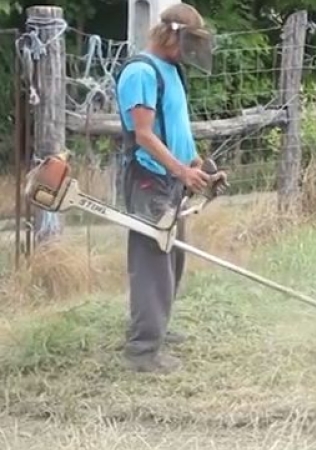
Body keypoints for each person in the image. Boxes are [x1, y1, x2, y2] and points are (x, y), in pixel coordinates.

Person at [115, 3, 224, 373]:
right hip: (149, 177)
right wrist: (179, 171)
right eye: (188, 42)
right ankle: (143, 352)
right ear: (169, 34)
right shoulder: (140, 72)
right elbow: (144, 136)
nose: (191, 52)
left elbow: (176, 127)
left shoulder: (172, 71)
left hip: (172, 176)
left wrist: (197, 167)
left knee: (172, 258)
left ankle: (156, 328)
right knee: (152, 262)